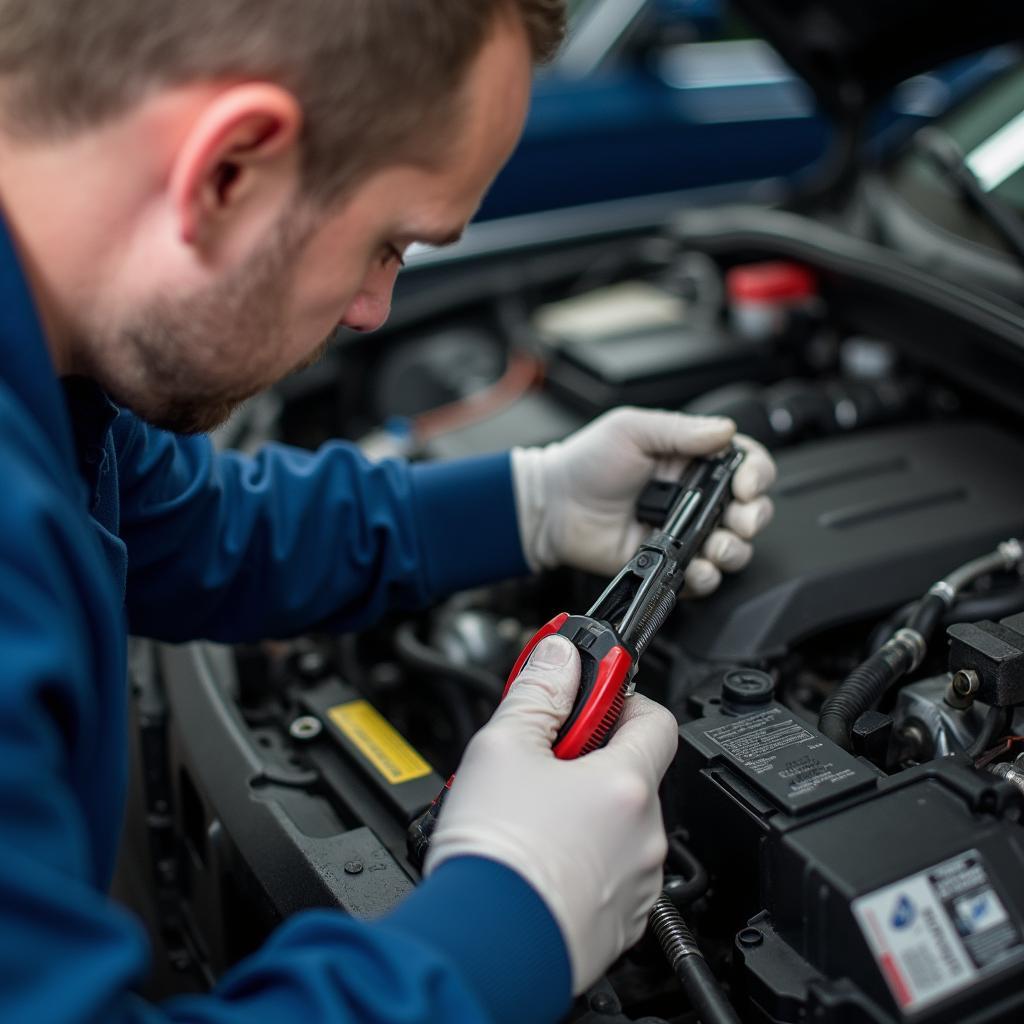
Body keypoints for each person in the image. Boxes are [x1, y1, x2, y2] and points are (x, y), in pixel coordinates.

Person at [0, 2, 776, 1022]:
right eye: (391, 243)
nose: (372, 310)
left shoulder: (56, 361)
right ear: (231, 167)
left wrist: (530, 501)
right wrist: (508, 918)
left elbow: (190, 526)